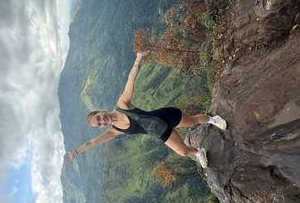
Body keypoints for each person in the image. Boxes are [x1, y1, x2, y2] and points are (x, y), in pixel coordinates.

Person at [65, 52, 227, 168]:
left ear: (100, 111)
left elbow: (130, 80)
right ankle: (199, 151)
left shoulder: (122, 105)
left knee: (193, 120)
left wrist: (138, 59)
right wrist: (76, 152)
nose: (102, 121)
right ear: (100, 126)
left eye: (99, 117)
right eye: (99, 123)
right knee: (184, 152)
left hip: (166, 115)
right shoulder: (113, 131)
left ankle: (213, 119)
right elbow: (93, 142)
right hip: (162, 133)